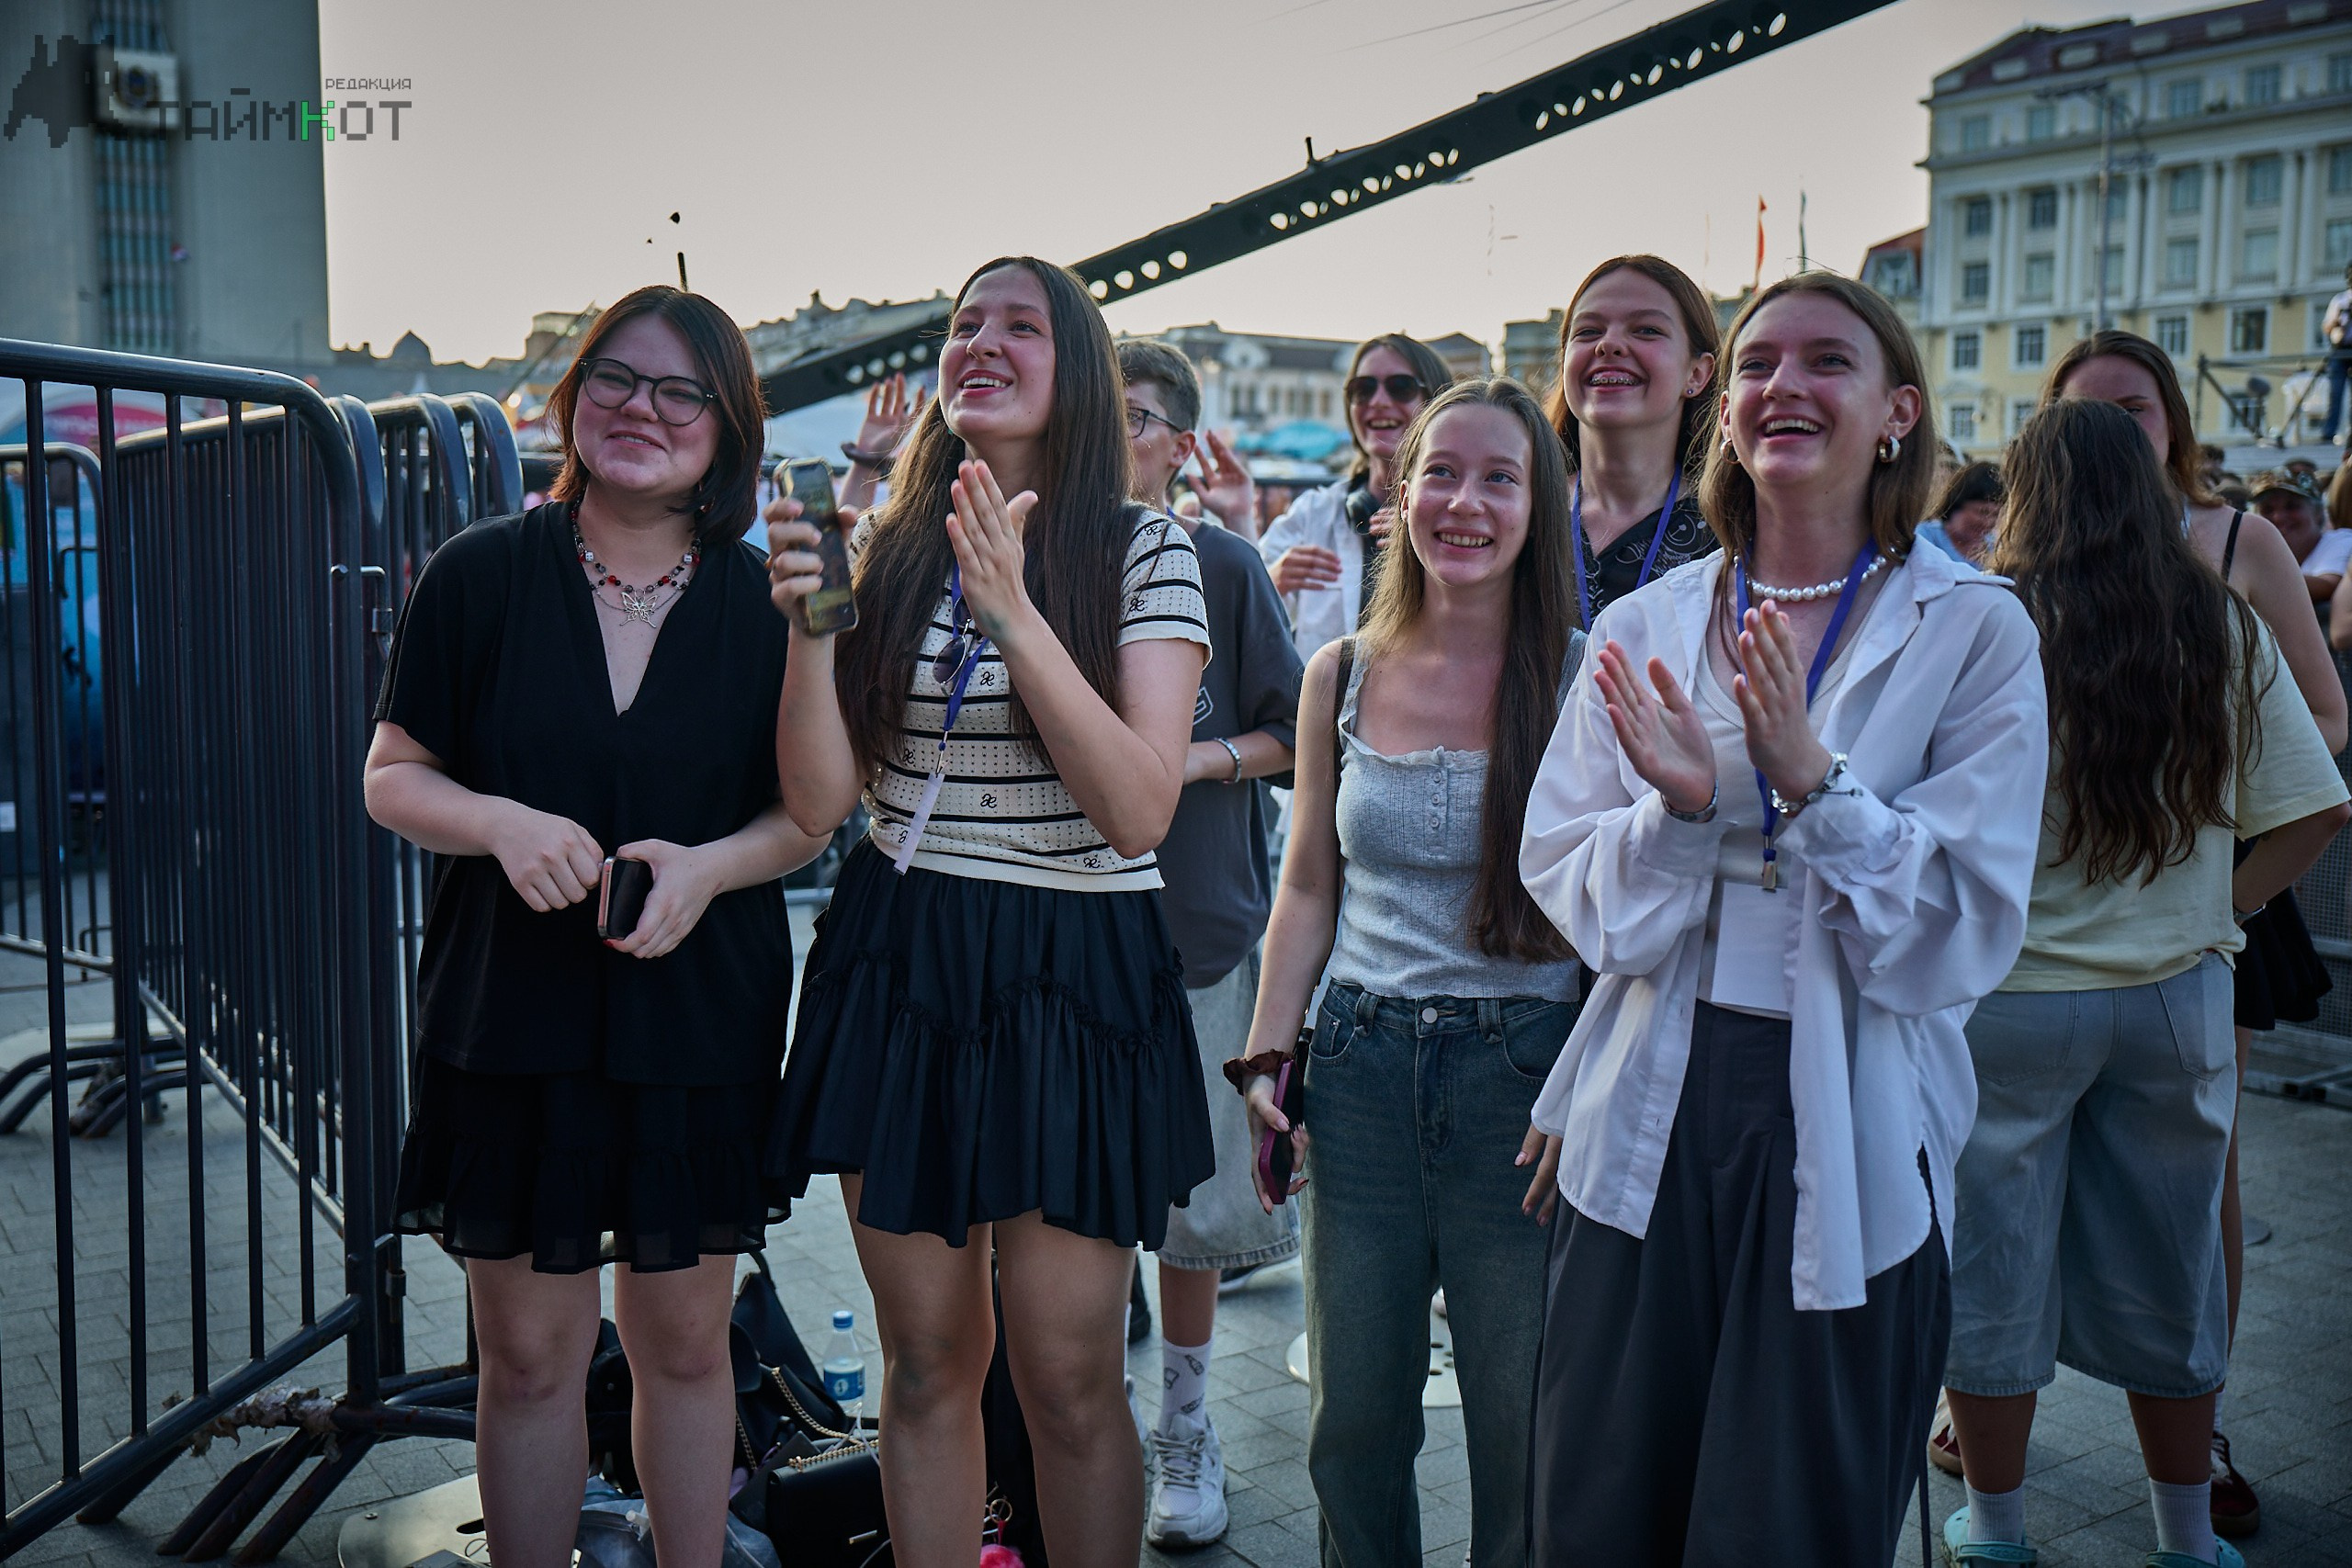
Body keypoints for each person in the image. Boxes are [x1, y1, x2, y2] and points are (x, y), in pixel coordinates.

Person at [1518, 271, 2049, 1565]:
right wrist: (1685, 811)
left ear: (1897, 413)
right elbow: (1568, 878)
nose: (1782, 387)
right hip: (1653, 1100)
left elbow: (1962, 928)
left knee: (1789, 1514)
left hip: (1851, 1116)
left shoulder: (1976, 630)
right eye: (1757, 362)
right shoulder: (1644, 623)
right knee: (1602, 1500)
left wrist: (1816, 783)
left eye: (1828, 362)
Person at [761, 256, 1214, 1568]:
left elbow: (1139, 808)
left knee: (1069, 1372)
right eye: (965, 324)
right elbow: (822, 795)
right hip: (906, 955)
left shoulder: (1146, 549)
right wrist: (808, 630)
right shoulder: (885, 553)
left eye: (1022, 325)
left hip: (1076, 967)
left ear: (1077, 369)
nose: (982, 343)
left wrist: (1014, 612)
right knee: (923, 1365)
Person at [364, 286, 824, 1568]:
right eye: (618, 378)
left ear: (727, 427)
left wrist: (711, 869)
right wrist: (502, 822)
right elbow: (390, 771)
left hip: (699, 1021)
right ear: (573, 399)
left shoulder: (765, 600)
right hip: (510, 1015)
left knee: (686, 1347)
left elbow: (808, 816)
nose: (644, 409)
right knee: (527, 1357)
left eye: (683, 391)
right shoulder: (480, 573)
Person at [1939, 398, 2349, 1568]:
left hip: (2006, 1003)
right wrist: (2216, 907)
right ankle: (2184, 1537)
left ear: (2025, 495)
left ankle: (1997, 1533)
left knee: (1994, 1270)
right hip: (2176, 999)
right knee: (2177, 1267)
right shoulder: (2216, 626)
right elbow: (2319, 804)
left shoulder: (1985, 625)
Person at [1238, 376, 1583, 1568]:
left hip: (1525, 1084)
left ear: (1543, 503)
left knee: (1522, 1426)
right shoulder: (1339, 668)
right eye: (1442, 471)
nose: (1465, 501)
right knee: (1354, 1423)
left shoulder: (1587, 676)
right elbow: (1306, 887)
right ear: (1399, 490)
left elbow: (1625, 922)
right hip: (1362, 1066)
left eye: (1500, 476)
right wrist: (1268, 1055)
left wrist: (1591, 1084)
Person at [2044, 329, 2346, 1535]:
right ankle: (1990, 1396)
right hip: (2059, 921)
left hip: (2210, 892)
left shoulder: (2233, 541)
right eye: (2089, 413)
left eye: (2136, 409)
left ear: (2174, 423)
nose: (2116, 431)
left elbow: (2323, 708)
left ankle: (2194, 1415)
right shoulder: (2027, 557)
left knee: (2195, 1175)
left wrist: (2222, 857)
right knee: (2027, 1164)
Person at [1116, 337, 1305, 1548]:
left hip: (1197, 928)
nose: (1115, 433)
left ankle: (1188, 1425)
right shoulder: (1036, 564)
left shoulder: (1223, 564)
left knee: (1191, 1218)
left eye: (1137, 416)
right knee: (1073, 1225)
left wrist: (1185, 759)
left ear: (1180, 442)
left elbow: (1295, 731)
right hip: (1063, 939)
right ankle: (1087, 1421)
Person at [1258, 334, 1456, 660]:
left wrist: (1430, 545)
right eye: (1362, 389)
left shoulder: (1458, 517)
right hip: (1322, 709)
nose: (1377, 401)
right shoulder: (1313, 514)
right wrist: (1273, 584)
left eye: (1400, 387)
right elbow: (1240, 617)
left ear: (1437, 401)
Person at [1544, 254, 1720, 623]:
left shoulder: (1734, 525)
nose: (1609, 345)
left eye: (1646, 330)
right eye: (1588, 331)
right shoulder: (1519, 509)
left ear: (1697, 373)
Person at [2246, 469, 2344, 605]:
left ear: (2318, 513)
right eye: (2268, 510)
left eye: (2291, 507)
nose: (2278, 517)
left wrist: (2246, 579)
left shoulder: (2341, 541)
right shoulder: (2254, 555)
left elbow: (2329, 586)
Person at [1917, 460, 2003, 566]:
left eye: (1995, 515)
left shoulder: (1995, 550)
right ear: (1958, 503)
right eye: (1982, 512)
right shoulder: (1924, 539)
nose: (1988, 522)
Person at [2320, 262, 2352, 445]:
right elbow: (2326, 327)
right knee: (2336, 393)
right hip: (2340, 350)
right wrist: (2340, 319)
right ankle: (2328, 431)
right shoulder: (2340, 300)